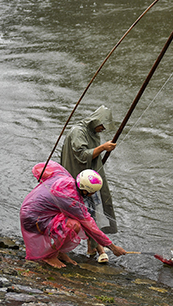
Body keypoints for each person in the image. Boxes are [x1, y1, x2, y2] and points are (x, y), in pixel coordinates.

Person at [20, 162, 126, 269]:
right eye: (92, 192)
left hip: (29, 210)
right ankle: (49, 256)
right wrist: (112, 247)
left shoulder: (64, 176)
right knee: (74, 225)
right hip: (33, 220)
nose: (93, 194)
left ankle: (58, 252)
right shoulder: (71, 201)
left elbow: (40, 168)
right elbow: (91, 227)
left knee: (69, 218)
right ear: (85, 191)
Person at [60, 105, 118, 263]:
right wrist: (102, 147)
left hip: (88, 178)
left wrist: (101, 148)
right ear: (95, 121)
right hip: (77, 178)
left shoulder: (92, 132)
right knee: (85, 212)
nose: (102, 129)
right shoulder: (78, 132)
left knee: (92, 209)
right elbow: (81, 154)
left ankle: (92, 246)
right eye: (102, 125)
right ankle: (95, 247)